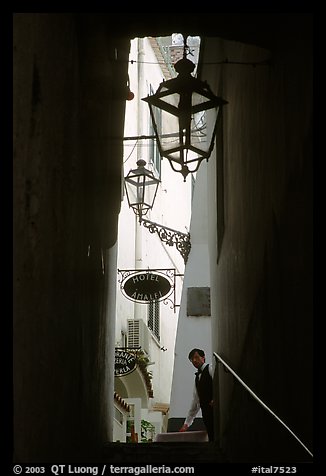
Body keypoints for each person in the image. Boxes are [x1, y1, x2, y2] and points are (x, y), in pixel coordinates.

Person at [179, 348, 214, 441]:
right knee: (212, 436)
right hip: (206, 412)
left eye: (196, 357)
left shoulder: (210, 368)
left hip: (216, 410)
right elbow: (195, 401)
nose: (194, 360)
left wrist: (216, 399)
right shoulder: (197, 379)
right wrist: (187, 423)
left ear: (203, 358)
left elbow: (219, 383)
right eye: (191, 359)